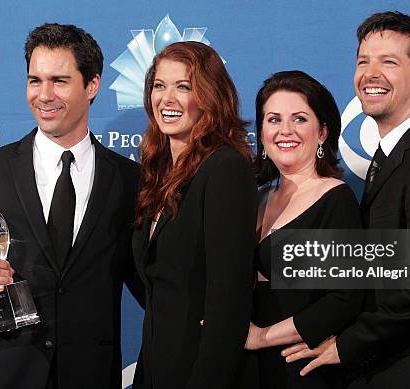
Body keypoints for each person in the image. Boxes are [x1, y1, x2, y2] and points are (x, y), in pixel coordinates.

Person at [0, 23, 142, 389]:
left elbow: (149, 279)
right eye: (35, 80)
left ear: (92, 85)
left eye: (59, 81)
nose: (44, 95)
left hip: (88, 375)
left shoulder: (129, 180)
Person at [282, 12, 410, 388]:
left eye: (388, 62)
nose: (370, 74)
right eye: (363, 61)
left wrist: (348, 344)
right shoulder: (391, 156)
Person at [131, 41, 257, 389]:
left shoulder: (225, 168)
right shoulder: (155, 174)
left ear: (209, 97)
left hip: (199, 369)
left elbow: (228, 297)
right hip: (156, 365)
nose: (167, 99)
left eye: (183, 87)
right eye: (159, 85)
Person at [242, 70, 363, 388]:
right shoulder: (256, 197)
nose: (285, 131)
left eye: (299, 119)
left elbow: (344, 299)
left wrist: (261, 337)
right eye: (273, 119)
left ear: (322, 132)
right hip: (248, 370)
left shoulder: (336, 198)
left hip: (300, 368)